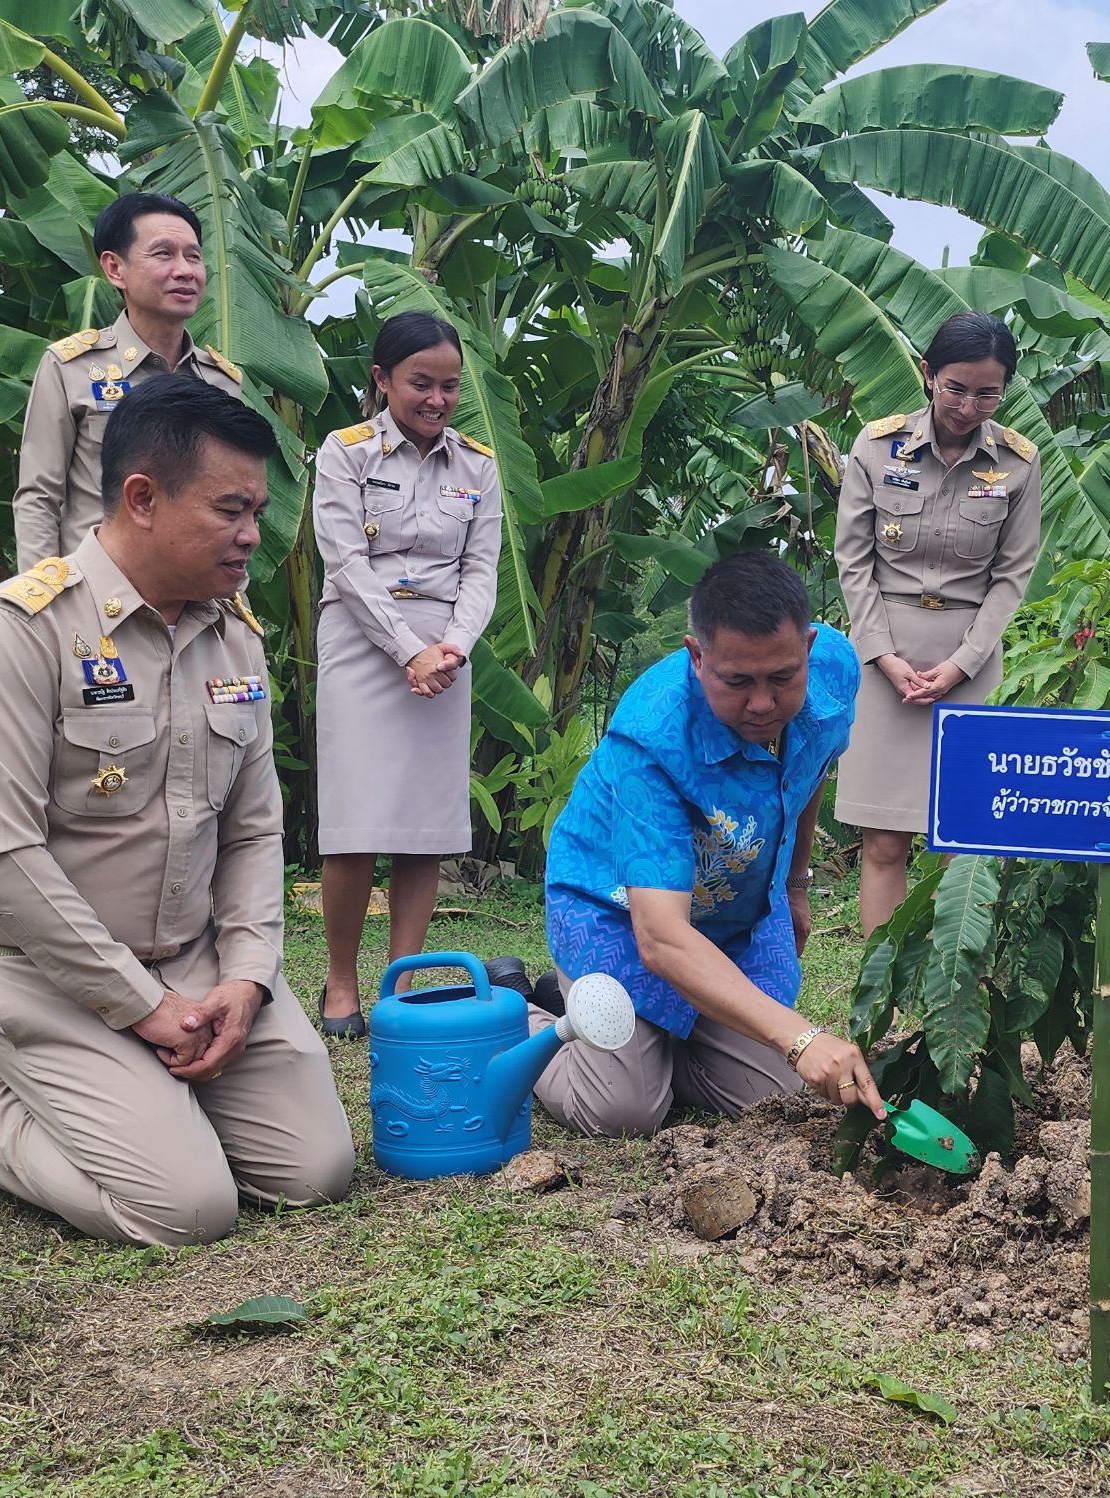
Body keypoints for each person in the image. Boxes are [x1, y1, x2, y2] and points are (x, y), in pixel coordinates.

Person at [0, 374, 358, 1245]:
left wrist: (244, 978)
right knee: (186, 1208)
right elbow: (0, 857)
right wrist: (138, 1005)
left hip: (196, 966)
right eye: (233, 511)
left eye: (259, 511)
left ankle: (149, 1095)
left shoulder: (234, 635)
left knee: (315, 1173)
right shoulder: (17, 632)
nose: (254, 537)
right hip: (41, 973)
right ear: (142, 499)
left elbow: (252, 830)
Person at [532, 552, 890, 1136]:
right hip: (618, 913)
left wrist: (796, 884)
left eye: (781, 678)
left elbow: (810, 770)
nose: (762, 704)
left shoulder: (835, 669)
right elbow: (661, 937)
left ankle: (641, 1038)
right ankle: (523, 1013)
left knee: (776, 1097)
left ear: (809, 645)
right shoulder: (650, 737)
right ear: (697, 657)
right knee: (621, 1109)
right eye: (737, 681)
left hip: (733, 913)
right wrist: (800, 1037)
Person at [307, 312, 503, 1038]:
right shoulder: (345, 452)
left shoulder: (477, 465)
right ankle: (338, 985)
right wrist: (406, 650)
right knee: (355, 826)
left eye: (450, 386)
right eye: (421, 383)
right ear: (382, 379)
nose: (438, 399)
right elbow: (345, 564)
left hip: (444, 652)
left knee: (425, 829)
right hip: (364, 642)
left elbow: (481, 568)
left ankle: (403, 985)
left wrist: (451, 646)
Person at [833, 312, 1043, 929]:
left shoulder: (1019, 463)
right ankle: (882, 1013)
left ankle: (955, 996)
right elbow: (853, 562)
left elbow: (1012, 577)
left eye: (987, 392)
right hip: (883, 662)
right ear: (928, 375)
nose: (968, 405)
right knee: (885, 842)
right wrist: (884, 656)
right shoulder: (876, 447)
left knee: (961, 848)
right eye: (955, 387)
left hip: (970, 664)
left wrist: (959, 667)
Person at [13, 191, 247, 570]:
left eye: (193, 256)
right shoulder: (70, 367)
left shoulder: (221, 383)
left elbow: (233, 505)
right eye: (163, 253)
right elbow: (39, 497)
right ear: (114, 269)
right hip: (96, 597)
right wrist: (43, 600)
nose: (185, 269)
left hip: (195, 601)